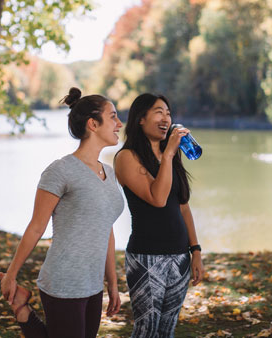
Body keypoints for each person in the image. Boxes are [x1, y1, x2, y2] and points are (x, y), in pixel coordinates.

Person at [0, 87, 125, 338]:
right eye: (113, 116)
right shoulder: (60, 171)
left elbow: (105, 227)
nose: (119, 123)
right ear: (93, 124)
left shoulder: (109, 173)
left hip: (93, 283)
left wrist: (113, 283)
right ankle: (22, 309)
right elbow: (36, 226)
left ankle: (22, 310)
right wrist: (11, 274)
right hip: (64, 281)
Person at [114, 93, 204, 338]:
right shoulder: (127, 157)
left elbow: (182, 206)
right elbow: (158, 198)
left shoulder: (171, 157)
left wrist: (195, 250)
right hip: (146, 258)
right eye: (158, 112)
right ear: (141, 119)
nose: (166, 118)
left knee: (167, 331)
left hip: (180, 257)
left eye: (168, 113)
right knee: (146, 330)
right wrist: (169, 155)